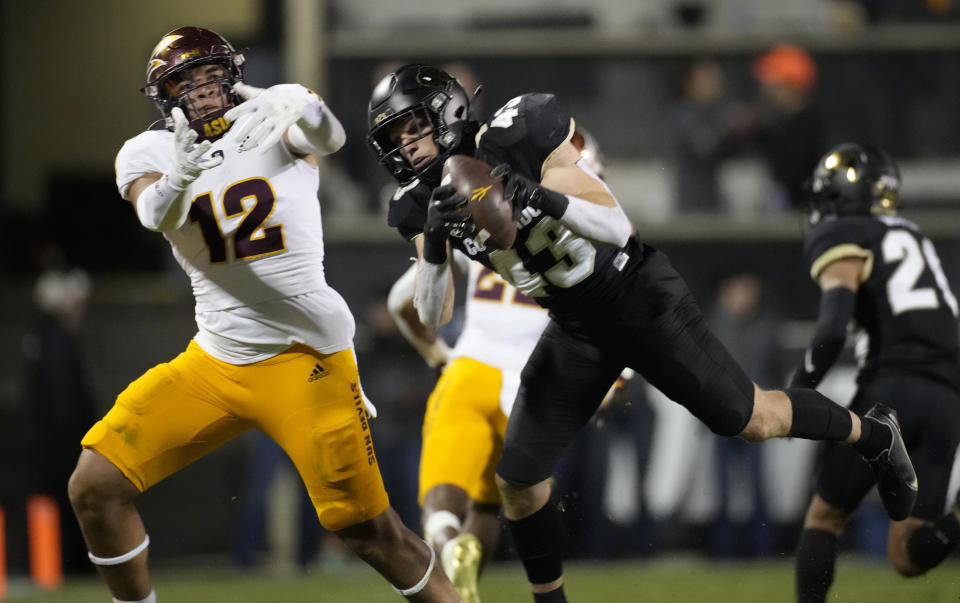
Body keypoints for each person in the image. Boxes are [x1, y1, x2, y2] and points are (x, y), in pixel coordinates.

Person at [366, 64, 918, 602]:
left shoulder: (520, 135)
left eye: (415, 127)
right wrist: (435, 247)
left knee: (755, 419)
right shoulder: (418, 204)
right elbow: (435, 313)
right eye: (396, 137)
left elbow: (617, 228)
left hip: (638, 298)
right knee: (518, 480)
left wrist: (537, 196)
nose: (408, 146)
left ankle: (872, 435)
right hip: (575, 325)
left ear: (449, 112)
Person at [66, 28, 458, 603]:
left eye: (210, 77)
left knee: (369, 533)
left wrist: (306, 103)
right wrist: (180, 172)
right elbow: (153, 212)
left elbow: (330, 137)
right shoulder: (147, 152)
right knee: (94, 487)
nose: (203, 92)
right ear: (164, 95)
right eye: (186, 83)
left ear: (231, 74)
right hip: (217, 359)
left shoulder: (269, 116)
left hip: (308, 361)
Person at [386, 127, 611, 602]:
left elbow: (400, 302)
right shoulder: (591, 230)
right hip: (532, 386)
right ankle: (497, 587)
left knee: (441, 504)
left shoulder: (485, 212)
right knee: (492, 506)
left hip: (471, 368)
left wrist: (436, 354)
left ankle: (449, 555)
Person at [790, 143, 960, 603]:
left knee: (825, 517)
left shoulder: (847, 231)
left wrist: (794, 396)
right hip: (948, 397)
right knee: (907, 555)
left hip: (894, 390)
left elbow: (831, 331)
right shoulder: (912, 234)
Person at [22, 267, 98, 574]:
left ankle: (57, 567)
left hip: (46, 445)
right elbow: (65, 403)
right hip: (62, 446)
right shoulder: (56, 342)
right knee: (69, 509)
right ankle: (69, 567)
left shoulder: (39, 336)